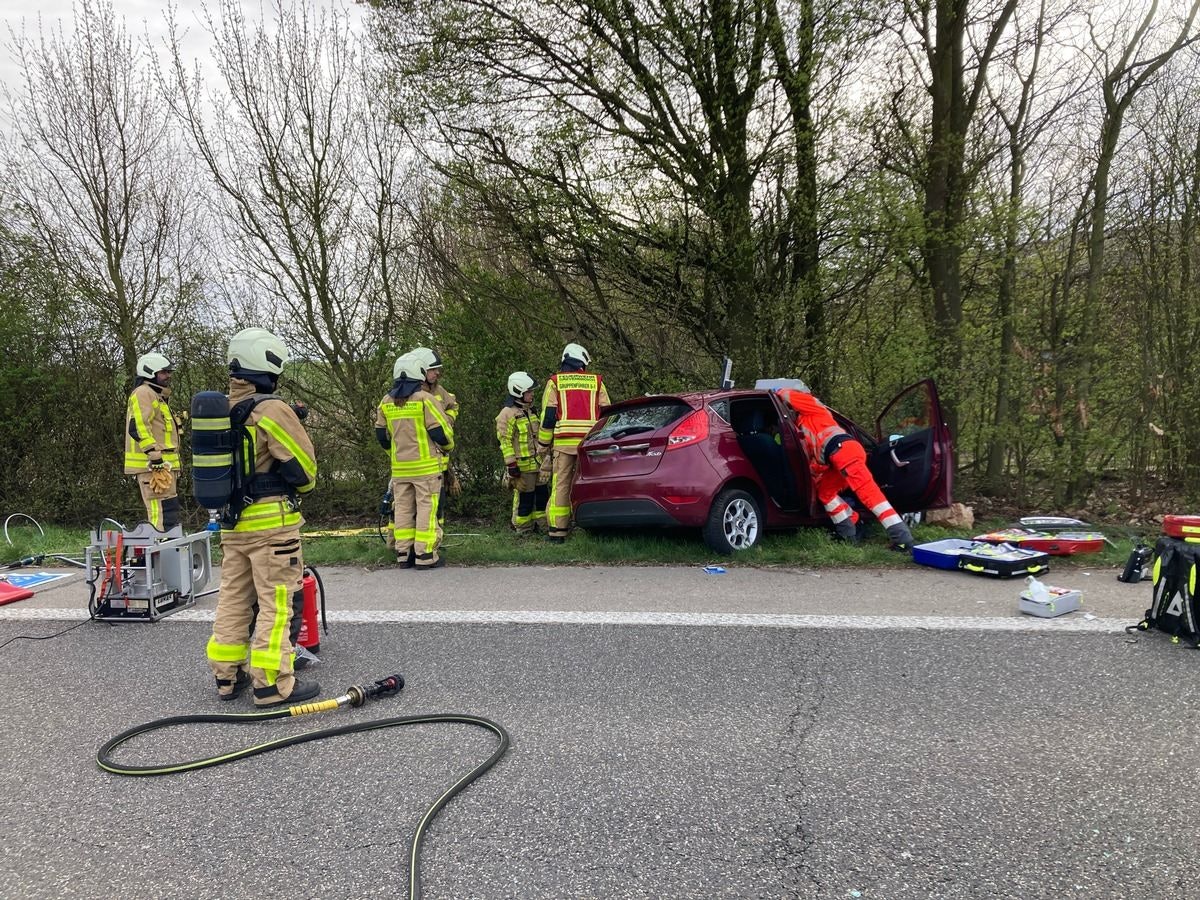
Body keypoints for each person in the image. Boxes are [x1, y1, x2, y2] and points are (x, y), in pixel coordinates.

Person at [206, 328, 320, 706]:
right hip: (271, 527)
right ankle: (271, 683)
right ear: (268, 365)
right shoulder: (271, 409)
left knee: (234, 599)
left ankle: (227, 676)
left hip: (231, 525)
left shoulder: (220, 409)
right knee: (276, 603)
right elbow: (304, 474)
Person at [775, 382, 914, 551]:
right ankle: (849, 533)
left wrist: (778, 390)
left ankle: (902, 539)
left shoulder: (812, 406)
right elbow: (817, 456)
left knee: (869, 494)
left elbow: (791, 397)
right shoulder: (802, 425)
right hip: (835, 458)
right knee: (825, 493)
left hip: (845, 451)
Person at [376, 352, 454, 569]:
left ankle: (403, 554)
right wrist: (447, 448)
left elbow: (381, 436)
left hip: (400, 470)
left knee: (402, 510)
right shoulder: (424, 400)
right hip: (426, 468)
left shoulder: (386, 402)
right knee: (426, 510)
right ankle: (425, 555)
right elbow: (440, 432)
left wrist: (394, 456)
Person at [537, 342, 610, 543]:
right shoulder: (597, 382)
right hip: (590, 445)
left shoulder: (555, 382)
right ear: (583, 363)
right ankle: (594, 528)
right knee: (592, 484)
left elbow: (549, 416)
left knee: (561, 485)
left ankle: (557, 532)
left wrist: (543, 445)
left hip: (564, 443)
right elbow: (607, 414)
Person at [124, 352, 182, 531]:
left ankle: (168, 547)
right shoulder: (143, 393)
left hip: (163, 466)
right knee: (160, 514)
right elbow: (139, 427)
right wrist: (155, 457)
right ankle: (160, 549)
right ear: (150, 372)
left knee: (169, 512)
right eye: (164, 372)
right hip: (153, 466)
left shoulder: (156, 396)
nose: (168, 376)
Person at [410, 346, 459, 525]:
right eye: (433, 369)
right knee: (412, 508)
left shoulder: (439, 391)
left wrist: (447, 420)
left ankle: (435, 542)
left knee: (438, 506)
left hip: (440, 461)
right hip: (417, 461)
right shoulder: (407, 393)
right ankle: (410, 546)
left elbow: (453, 406)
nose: (437, 373)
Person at [496, 371, 548, 533]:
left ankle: (542, 526)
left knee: (542, 497)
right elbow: (505, 441)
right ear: (519, 391)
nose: (532, 394)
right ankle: (523, 529)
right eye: (529, 392)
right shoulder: (507, 414)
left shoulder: (532, 411)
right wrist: (511, 465)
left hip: (539, 465)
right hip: (522, 467)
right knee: (525, 498)